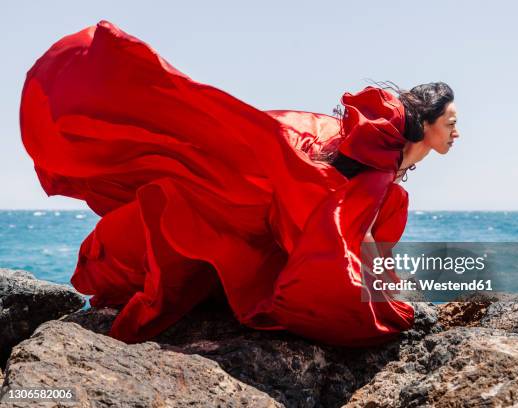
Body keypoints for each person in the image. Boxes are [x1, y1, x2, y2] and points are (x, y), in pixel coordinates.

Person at [20, 20, 459, 347]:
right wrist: (389, 309)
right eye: (451, 123)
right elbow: (333, 253)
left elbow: (337, 233)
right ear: (425, 127)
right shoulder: (374, 163)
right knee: (143, 258)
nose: (458, 133)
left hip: (211, 220)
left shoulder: (371, 156)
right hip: (186, 220)